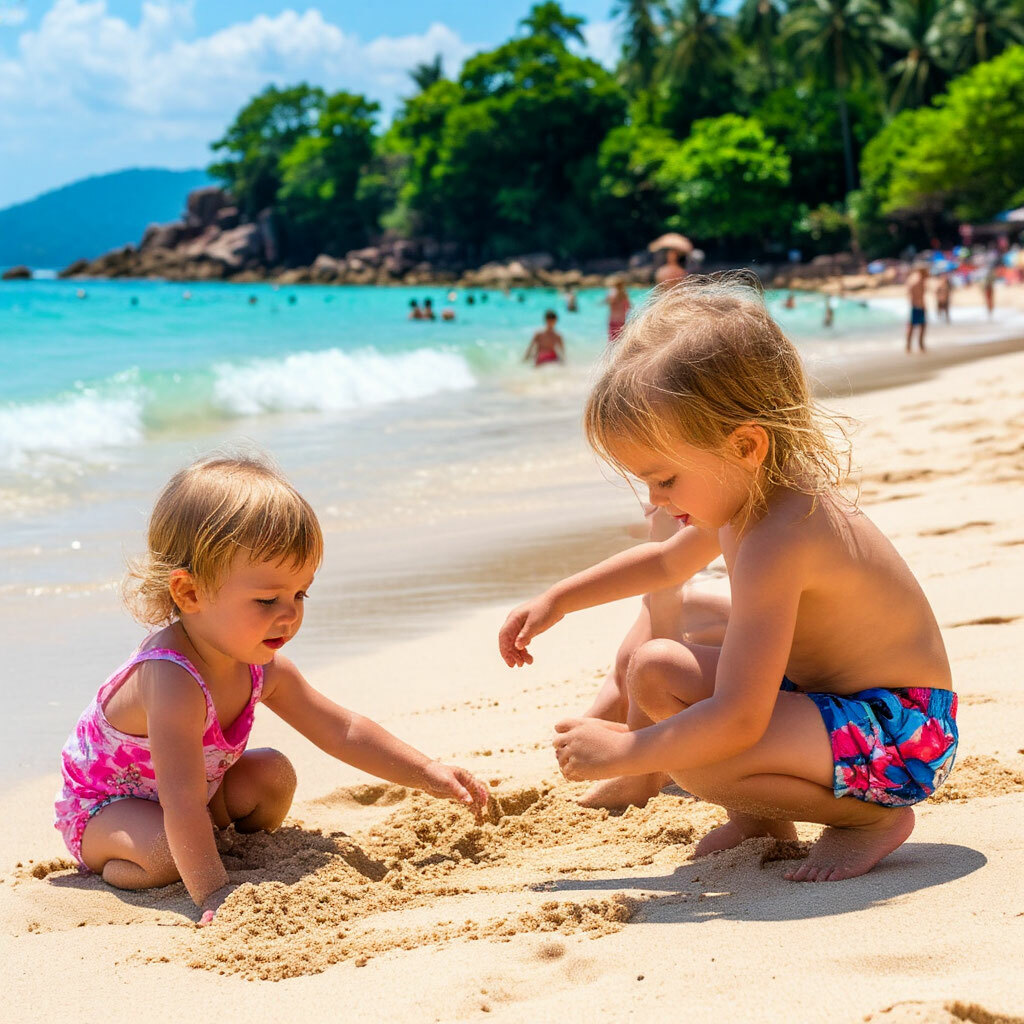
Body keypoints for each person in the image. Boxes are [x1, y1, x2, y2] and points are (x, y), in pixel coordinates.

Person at [499, 276, 957, 882]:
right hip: (840, 713)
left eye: (665, 480)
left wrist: (629, 752)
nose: (657, 501)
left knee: (701, 760)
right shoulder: (750, 498)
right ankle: (764, 819)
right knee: (657, 670)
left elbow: (741, 716)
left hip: (903, 732)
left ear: (745, 444)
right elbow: (665, 564)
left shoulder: (779, 535)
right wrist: (559, 599)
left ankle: (868, 820)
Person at [55, 454, 488, 923]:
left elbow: (341, 729)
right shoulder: (171, 679)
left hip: (194, 795)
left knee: (272, 776)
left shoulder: (261, 666)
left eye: (299, 594)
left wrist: (427, 771)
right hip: (109, 809)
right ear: (190, 593)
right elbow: (179, 802)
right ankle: (123, 866)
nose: (289, 613)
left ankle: (201, 842)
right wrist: (214, 893)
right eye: (267, 600)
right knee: (162, 853)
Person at [906, 268, 927, 353]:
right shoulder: (918, 280)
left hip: (916, 306)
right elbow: (912, 294)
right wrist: (918, 305)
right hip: (917, 306)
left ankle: (910, 346)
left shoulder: (914, 278)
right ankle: (918, 345)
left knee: (914, 326)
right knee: (917, 326)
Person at [604, 279, 631, 344]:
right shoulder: (624, 295)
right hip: (621, 320)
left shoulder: (612, 295)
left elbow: (607, 303)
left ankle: (612, 353)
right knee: (620, 339)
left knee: (612, 340)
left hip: (613, 319)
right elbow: (628, 307)